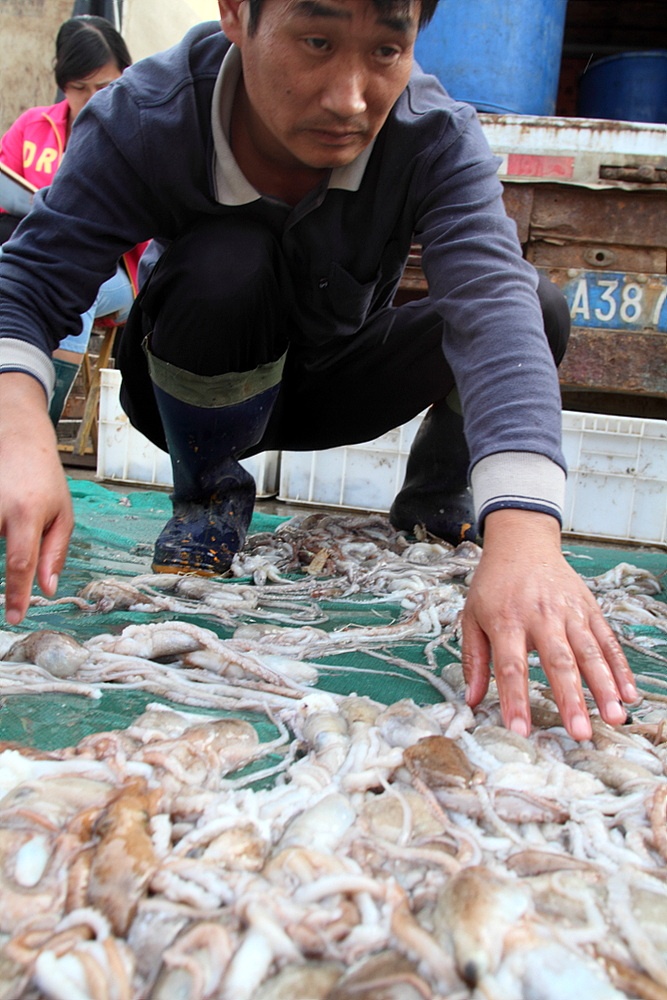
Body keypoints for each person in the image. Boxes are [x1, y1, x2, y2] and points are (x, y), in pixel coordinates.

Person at [0, 0, 638, 742]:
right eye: (316, 40)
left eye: (385, 51)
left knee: (532, 302)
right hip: (194, 383)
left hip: (338, 382)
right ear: (236, 12)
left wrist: (526, 537)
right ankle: (208, 498)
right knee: (224, 261)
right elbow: (27, 283)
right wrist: (17, 426)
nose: (349, 97)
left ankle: (435, 498)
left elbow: (491, 307)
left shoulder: (432, 135)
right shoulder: (144, 115)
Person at [0, 14, 146, 423]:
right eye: (77, 88)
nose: (90, 97)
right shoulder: (33, 126)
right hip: (35, 258)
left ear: (126, 74)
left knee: (74, 286)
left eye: (103, 86)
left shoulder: (141, 132)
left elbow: (150, 232)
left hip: (117, 275)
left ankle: (36, 429)